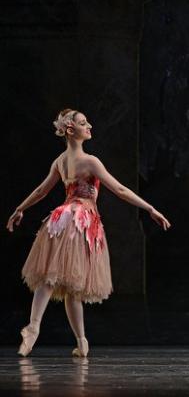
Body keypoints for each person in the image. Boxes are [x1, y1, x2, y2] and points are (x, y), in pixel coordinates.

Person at [7, 108, 171, 357]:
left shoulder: (60, 161)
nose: (89, 126)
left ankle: (63, 336)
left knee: (57, 279)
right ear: (70, 130)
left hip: (60, 218)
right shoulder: (91, 161)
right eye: (84, 123)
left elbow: (41, 191)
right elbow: (120, 189)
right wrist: (150, 208)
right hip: (80, 221)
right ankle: (51, 332)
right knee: (67, 282)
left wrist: (20, 208)